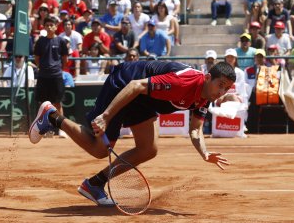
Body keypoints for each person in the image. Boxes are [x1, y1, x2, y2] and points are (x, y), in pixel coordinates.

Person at [28, 61, 237, 206]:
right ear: (208, 78)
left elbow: (195, 130)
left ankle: (94, 184)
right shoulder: (183, 82)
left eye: (225, 89)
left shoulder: (206, 97)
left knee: (148, 149)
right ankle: (52, 116)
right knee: (99, 149)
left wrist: (204, 153)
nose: (221, 92)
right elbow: (136, 85)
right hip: (125, 83)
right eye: (220, 85)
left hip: (144, 100)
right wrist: (107, 116)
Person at [33, 16, 69, 138]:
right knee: (43, 104)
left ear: (55, 27)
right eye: (47, 25)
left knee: (57, 103)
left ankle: (61, 129)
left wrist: (57, 69)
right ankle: (44, 129)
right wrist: (43, 68)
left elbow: (65, 59)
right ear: (44, 27)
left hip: (56, 76)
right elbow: (37, 58)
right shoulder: (40, 41)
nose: (49, 27)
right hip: (43, 76)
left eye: (51, 25)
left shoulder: (61, 41)